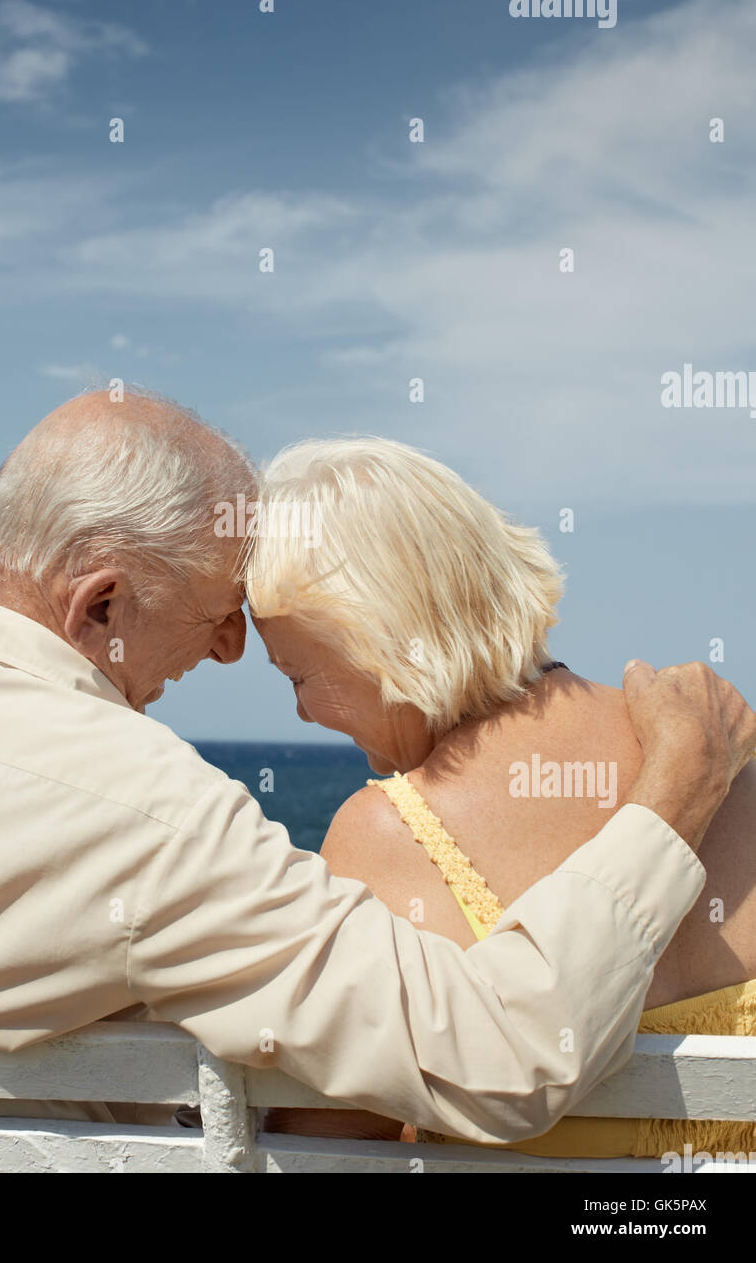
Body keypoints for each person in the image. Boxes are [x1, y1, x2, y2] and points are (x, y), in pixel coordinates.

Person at [0, 391, 753, 1144]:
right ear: (104, 605)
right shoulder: (147, 812)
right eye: (217, 617)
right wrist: (677, 789)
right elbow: (507, 1054)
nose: (229, 657)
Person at [245, 435, 756, 1154]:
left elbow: (331, 1147)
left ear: (381, 641)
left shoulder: (390, 832)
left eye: (296, 675)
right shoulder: (722, 756)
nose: (300, 714)